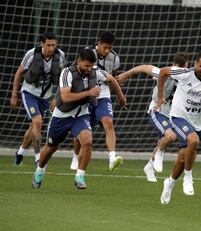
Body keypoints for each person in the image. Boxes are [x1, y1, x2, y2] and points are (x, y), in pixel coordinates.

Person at [32, 47, 125, 189]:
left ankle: (80, 176)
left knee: (87, 141)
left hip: (80, 116)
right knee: (51, 148)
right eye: (86, 65)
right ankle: (40, 170)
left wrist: (121, 97)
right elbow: (66, 97)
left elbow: (111, 79)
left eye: (91, 66)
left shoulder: (95, 71)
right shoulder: (67, 73)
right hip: (61, 116)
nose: (89, 69)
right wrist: (89, 93)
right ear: (78, 61)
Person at [154, 51, 201, 204]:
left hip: (200, 122)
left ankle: (170, 183)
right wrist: (160, 96)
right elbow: (162, 72)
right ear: (195, 64)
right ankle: (188, 177)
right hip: (179, 116)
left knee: (181, 158)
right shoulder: (184, 74)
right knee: (193, 141)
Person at [115, 52, 188, 182]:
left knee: (163, 142)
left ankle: (149, 166)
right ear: (173, 66)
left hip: (174, 114)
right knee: (170, 136)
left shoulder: (188, 77)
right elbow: (144, 67)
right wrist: (125, 75)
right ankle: (160, 154)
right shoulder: (165, 73)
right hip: (158, 110)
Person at [69, 31, 127, 171]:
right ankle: (75, 156)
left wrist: (118, 84)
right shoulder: (87, 54)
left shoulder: (114, 57)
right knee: (81, 133)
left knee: (108, 122)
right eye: (105, 47)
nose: (107, 51)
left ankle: (112, 158)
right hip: (87, 94)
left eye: (110, 48)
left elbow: (111, 76)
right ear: (98, 43)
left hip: (103, 93)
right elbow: (73, 70)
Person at [10, 32, 66, 165]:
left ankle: (20, 152)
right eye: (48, 45)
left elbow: (63, 79)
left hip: (45, 97)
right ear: (42, 44)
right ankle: (38, 157)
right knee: (37, 122)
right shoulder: (32, 54)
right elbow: (19, 73)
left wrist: (56, 98)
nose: (51, 48)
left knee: (33, 127)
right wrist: (13, 95)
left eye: (54, 45)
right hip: (29, 92)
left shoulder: (60, 55)